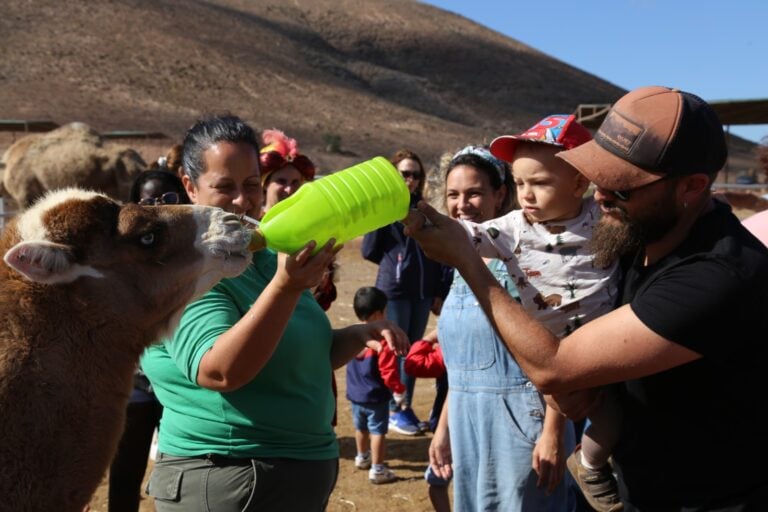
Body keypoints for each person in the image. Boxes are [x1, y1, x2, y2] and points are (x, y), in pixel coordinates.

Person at [406, 86, 768, 511]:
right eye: (598, 177)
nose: (599, 196)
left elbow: (556, 368)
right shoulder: (643, 232)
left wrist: (468, 262)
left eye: (622, 187)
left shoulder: (716, 276)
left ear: (690, 187)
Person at [141, 115, 408, 512]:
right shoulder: (187, 269)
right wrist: (286, 287)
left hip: (290, 477)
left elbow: (283, 353)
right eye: (224, 187)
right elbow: (219, 371)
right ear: (189, 185)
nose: (241, 200)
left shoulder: (265, 256)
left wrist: (353, 337)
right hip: (227, 477)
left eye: (251, 185)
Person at [460, 116, 623, 510]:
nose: (526, 195)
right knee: (564, 406)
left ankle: (591, 465)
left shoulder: (602, 218)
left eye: (540, 183)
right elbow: (467, 236)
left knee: (615, 417)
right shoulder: (513, 228)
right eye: (519, 183)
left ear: (579, 183)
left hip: (610, 347)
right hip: (551, 354)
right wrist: (423, 220)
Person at [427, 143, 579, 511]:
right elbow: (464, 364)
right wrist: (444, 429)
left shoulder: (525, 259)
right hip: (468, 421)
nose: (462, 204)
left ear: (499, 195)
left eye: (474, 193)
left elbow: (563, 349)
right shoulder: (462, 265)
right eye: (453, 195)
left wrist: (553, 433)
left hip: (521, 422)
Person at [106, 170, 190, 512]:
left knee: (179, 476)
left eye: (168, 199)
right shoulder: (122, 263)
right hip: (138, 384)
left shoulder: (197, 260)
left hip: (180, 384)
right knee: (125, 473)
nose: (159, 207)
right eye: (147, 201)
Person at [362, 149, 452, 435]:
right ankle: (394, 408)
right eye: (405, 173)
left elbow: (437, 252)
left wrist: (437, 289)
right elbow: (369, 250)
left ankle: (405, 406)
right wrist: (397, 262)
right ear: (394, 175)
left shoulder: (424, 209)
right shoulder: (384, 208)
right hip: (395, 291)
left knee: (413, 352)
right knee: (397, 349)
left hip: (423, 291)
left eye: (416, 174)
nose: (411, 179)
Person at [346, 286, 406, 485]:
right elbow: (388, 372)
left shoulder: (352, 335)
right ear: (377, 314)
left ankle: (362, 457)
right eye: (385, 311)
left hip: (355, 395)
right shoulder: (381, 340)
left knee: (360, 428)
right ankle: (378, 469)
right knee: (378, 431)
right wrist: (399, 390)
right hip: (376, 397)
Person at [404, 333, 450, 512]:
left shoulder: (448, 351)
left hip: (446, 427)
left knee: (437, 482)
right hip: (480, 425)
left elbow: (413, 363)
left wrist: (429, 338)